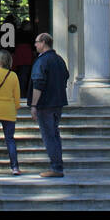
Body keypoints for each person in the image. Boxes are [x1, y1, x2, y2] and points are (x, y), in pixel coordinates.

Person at [29, 32, 69, 177]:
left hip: (45, 104)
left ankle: (56, 168)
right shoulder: (59, 60)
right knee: (55, 135)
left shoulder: (41, 61)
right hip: (57, 103)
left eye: (36, 42)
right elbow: (66, 76)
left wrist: (34, 105)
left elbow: (38, 84)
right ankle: (58, 166)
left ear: (44, 42)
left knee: (49, 136)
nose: (35, 45)